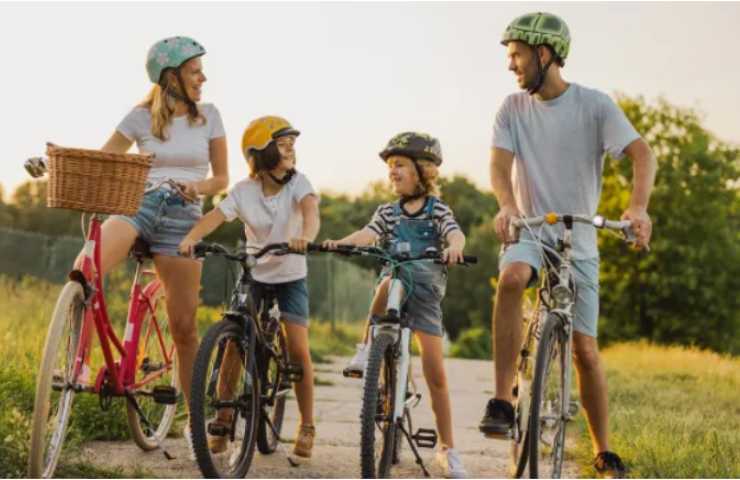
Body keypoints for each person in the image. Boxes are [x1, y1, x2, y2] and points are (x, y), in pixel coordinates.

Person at [477, 12, 657, 478]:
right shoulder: (512, 108)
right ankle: (501, 399)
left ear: (544, 54)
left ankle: (603, 448)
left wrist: (637, 209)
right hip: (531, 229)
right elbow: (499, 166)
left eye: (516, 54)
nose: (510, 65)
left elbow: (642, 154)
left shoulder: (595, 106)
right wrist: (506, 205)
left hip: (579, 238)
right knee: (513, 278)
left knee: (586, 350)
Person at [75, 35, 228, 452]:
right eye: (196, 71)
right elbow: (106, 158)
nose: (203, 78)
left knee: (183, 327)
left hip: (183, 216)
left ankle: (196, 424)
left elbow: (221, 180)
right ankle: (79, 366)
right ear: (171, 76)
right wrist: (56, 160)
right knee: (84, 270)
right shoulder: (140, 117)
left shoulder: (210, 116)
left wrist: (197, 187)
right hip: (138, 205)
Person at [323, 132, 469, 478]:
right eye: (390, 167)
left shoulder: (438, 210)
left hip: (427, 293)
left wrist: (454, 247)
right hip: (395, 286)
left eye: (400, 165)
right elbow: (368, 233)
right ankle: (366, 348)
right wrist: (342, 243)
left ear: (423, 171)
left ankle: (447, 449)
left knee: (435, 372)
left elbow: (455, 233)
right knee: (389, 280)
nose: (393, 172)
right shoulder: (387, 212)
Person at [179, 115, 320, 459]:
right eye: (284, 146)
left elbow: (311, 211)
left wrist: (305, 237)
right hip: (255, 271)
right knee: (233, 344)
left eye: (292, 146)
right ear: (264, 153)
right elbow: (215, 217)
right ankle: (224, 420)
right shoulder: (244, 191)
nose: (291, 152)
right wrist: (191, 238)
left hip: (290, 275)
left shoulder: (298, 183)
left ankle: (307, 423)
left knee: (299, 350)